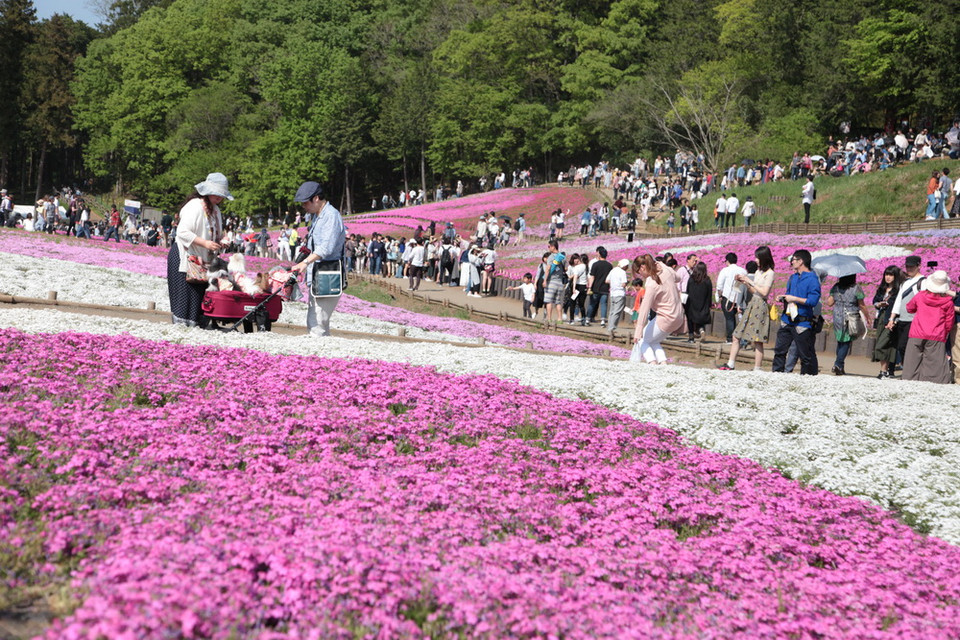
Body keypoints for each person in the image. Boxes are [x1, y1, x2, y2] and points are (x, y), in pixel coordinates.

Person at [167, 172, 229, 327]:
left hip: (202, 262)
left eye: (221, 195)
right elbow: (182, 232)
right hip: (185, 258)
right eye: (216, 194)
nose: (219, 198)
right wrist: (205, 244)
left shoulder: (216, 211)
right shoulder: (195, 206)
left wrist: (221, 241)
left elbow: (215, 234)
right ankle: (181, 334)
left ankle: (194, 333)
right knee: (185, 298)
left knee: (198, 299)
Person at [290, 181, 346, 337]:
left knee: (317, 321)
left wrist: (305, 262)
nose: (303, 206)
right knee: (318, 319)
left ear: (316, 198)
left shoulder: (331, 215)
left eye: (305, 202)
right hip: (318, 272)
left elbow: (326, 248)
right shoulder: (317, 216)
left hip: (328, 272)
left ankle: (316, 357)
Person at [719, 246, 775, 371]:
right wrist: (744, 283)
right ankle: (731, 364)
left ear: (763, 258)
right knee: (736, 335)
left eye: (757, 257)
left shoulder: (770, 273)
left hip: (760, 306)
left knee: (758, 339)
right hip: (752, 303)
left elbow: (765, 292)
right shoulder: (758, 272)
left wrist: (749, 280)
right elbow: (754, 291)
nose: (755, 260)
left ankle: (757, 368)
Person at [772, 250, 822, 375]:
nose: (791, 263)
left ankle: (805, 379)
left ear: (801, 261)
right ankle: (776, 375)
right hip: (787, 319)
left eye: (793, 260)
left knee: (805, 355)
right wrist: (783, 297)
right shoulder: (793, 278)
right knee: (779, 351)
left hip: (802, 322)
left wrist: (795, 299)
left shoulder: (812, 279)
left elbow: (813, 301)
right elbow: (790, 295)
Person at [903, 271, 955, 384]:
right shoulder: (948, 302)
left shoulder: (920, 296)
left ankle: (909, 381)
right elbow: (949, 321)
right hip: (936, 334)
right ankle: (932, 383)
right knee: (933, 364)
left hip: (917, 332)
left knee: (912, 362)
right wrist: (945, 332)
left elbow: (909, 308)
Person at [632, 254, 684, 364]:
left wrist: (638, 331)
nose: (640, 275)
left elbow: (644, 309)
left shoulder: (651, 283)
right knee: (654, 341)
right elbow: (678, 278)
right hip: (679, 317)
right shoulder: (667, 271)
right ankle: (663, 363)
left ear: (642, 268)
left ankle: (652, 363)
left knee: (642, 340)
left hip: (666, 318)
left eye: (639, 272)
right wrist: (664, 266)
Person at [825, 274, 871, 376]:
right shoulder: (856, 287)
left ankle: (840, 366)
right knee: (846, 342)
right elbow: (861, 304)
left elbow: (829, 303)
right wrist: (867, 316)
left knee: (840, 341)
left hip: (837, 317)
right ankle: (838, 364)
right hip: (851, 317)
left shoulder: (836, 287)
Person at [887, 255, 925, 366]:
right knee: (901, 346)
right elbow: (898, 301)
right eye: (907, 267)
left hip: (914, 320)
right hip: (902, 319)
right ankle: (908, 368)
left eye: (911, 267)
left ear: (919, 266)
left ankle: (911, 368)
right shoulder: (905, 282)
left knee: (905, 346)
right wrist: (892, 318)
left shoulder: (923, 282)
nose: (909, 269)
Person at [872, 266, 902, 379]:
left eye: (891, 275)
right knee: (884, 343)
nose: (888, 277)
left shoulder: (898, 290)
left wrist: (894, 320)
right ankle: (886, 371)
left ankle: (884, 370)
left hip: (891, 319)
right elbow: (875, 301)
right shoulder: (882, 289)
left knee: (882, 344)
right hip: (881, 318)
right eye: (886, 274)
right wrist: (879, 304)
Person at [716, 253, 747, 343]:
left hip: (728, 298)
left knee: (730, 318)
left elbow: (719, 285)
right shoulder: (743, 271)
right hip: (740, 298)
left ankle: (730, 339)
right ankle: (742, 339)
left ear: (727, 261)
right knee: (742, 318)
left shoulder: (725, 270)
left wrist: (719, 296)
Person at [685, 262, 712, 342]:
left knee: (690, 319)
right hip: (703, 302)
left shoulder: (691, 278)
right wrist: (709, 304)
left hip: (691, 302)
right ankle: (702, 330)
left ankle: (691, 337)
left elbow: (687, 290)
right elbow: (709, 293)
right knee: (700, 318)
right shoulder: (707, 280)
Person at [542, 239, 566, 328]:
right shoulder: (562, 257)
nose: (548, 248)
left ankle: (549, 318)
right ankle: (560, 319)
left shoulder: (551, 257)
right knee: (558, 302)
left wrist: (544, 280)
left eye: (549, 246)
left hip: (551, 282)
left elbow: (548, 269)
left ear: (553, 247)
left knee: (549, 301)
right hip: (560, 282)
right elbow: (566, 269)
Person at [586, 246, 612, 326]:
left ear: (599, 255)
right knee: (603, 304)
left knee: (592, 304)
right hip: (605, 288)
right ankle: (603, 320)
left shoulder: (595, 264)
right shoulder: (609, 265)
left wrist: (590, 287)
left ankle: (587, 319)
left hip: (595, 288)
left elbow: (592, 277)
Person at [606, 259, 630, 336]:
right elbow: (623, 284)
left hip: (612, 293)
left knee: (612, 311)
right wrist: (627, 282)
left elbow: (607, 280)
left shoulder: (613, 270)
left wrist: (614, 283)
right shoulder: (622, 272)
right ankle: (612, 329)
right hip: (619, 293)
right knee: (617, 312)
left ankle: (610, 327)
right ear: (625, 266)